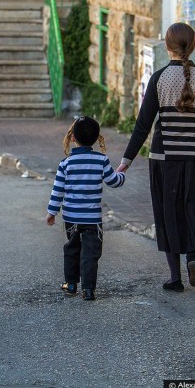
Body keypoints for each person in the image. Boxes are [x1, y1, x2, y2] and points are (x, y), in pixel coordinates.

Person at [116, 22, 195, 292]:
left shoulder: (159, 78)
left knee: (169, 214)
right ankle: (192, 254)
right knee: (193, 208)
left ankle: (175, 278)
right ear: (193, 46)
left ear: (168, 47)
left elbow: (143, 124)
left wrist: (127, 159)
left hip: (164, 159)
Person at [46, 116, 126, 301]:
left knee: (72, 249)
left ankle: (71, 283)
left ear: (72, 137)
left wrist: (52, 212)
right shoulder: (101, 160)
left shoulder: (65, 163)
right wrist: (122, 176)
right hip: (92, 218)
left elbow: (57, 190)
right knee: (91, 253)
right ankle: (88, 289)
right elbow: (113, 181)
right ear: (97, 137)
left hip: (71, 218)